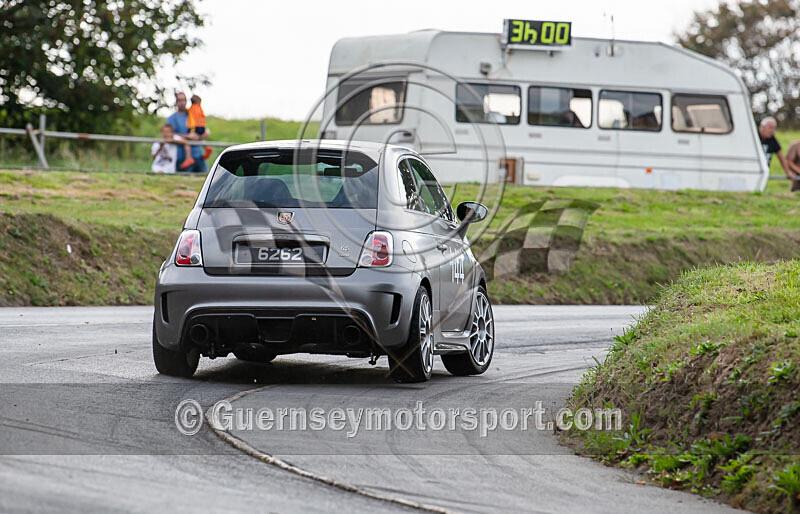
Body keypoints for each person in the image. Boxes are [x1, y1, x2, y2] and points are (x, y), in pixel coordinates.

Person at [165, 92, 210, 173]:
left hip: (198, 155)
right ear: (176, 102)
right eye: (180, 100)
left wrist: (199, 136)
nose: (182, 103)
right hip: (182, 157)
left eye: (184, 100)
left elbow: (204, 129)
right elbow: (169, 134)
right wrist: (187, 137)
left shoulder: (193, 113)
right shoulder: (171, 119)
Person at [758, 117, 795, 185]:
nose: (772, 131)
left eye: (774, 128)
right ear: (762, 127)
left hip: (763, 172)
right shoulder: (754, 136)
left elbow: (781, 157)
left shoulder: (772, 139)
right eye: (770, 127)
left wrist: (788, 172)